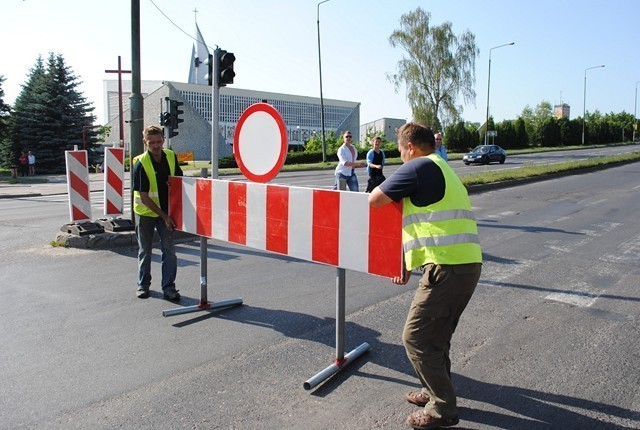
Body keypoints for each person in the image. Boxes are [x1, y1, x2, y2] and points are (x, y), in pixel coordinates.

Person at [368, 122, 482, 430]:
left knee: (415, 337)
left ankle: (442, 410)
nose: (401, 158)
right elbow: (424, 222)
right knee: (435, 339)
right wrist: (404, 263)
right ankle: (431, 392)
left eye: (401, 151)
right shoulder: (442, 166)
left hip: (448, 268)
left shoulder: (418, 166)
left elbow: (375, 199)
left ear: (411, 147)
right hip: (461, 265)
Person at [133, 125, 183, 301]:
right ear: (145, 142)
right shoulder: (140, 163)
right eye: (151, 142)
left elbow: (180, 179)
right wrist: (165, 216)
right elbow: (144, 197)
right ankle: (143, 285)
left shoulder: (170, 156)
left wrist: (175, 184)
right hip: (146, 213)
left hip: (166, 211)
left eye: (159, 141)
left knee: (169, 250)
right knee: (145, 250)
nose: (156, 146)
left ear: (163, 140)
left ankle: (169, 287)